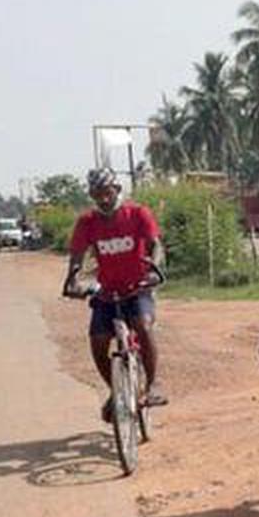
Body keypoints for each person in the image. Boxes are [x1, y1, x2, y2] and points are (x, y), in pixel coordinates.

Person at [63, 167, 167, 423]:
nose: (103, 199)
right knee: (97, 341)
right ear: (92, 195)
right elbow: (77, 255)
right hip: (107, 292)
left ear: (117, 189)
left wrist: (153, 270)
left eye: (107, 192)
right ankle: (117, 390)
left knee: (143, 326)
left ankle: (152, 386)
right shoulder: (87, 222)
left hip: (137, 288)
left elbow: (156, 245)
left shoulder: (137, 214)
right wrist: (72, 279)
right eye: (97, 194)